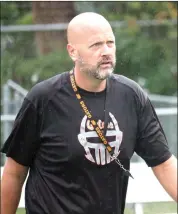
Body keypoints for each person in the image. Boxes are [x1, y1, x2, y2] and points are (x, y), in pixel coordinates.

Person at [1, 12, 177, 214]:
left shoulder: (131, 96)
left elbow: (164, 164)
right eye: (96, 45)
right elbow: (14, 173)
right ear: (72, 52)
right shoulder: (43, 99)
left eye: (110, 43)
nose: (106, 51)